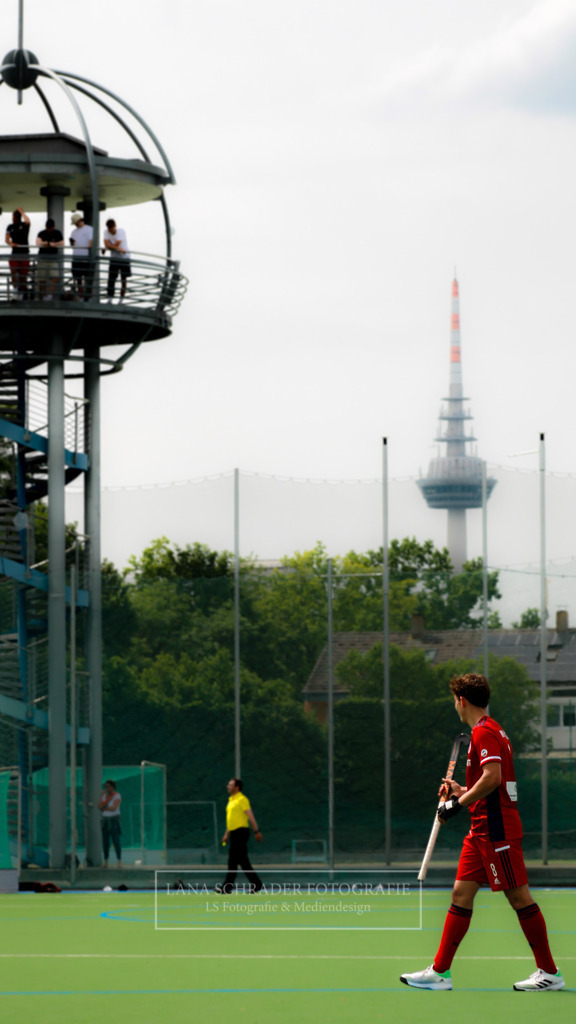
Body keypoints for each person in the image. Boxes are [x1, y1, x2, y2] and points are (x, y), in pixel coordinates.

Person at [400, 673, 564, 992]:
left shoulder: (485, 733)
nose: (455, 706)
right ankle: (440, 973)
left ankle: (549, 973)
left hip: (496, 830)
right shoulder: (489, 730)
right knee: (461, 894)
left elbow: (493, 778)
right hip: (480, 831)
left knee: (518, 897)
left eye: (454, 701)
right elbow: (485, 782)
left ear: (462, 701)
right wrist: (461, 789)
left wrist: (455, 804)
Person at [215, 778, 263, 894]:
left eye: (230, 785)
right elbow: (232, 820)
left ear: (237, 788)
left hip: (241, 832)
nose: (228, 786)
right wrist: (226, 834)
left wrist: (256, 831)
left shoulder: (242, 799)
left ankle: (227, 887)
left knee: (235, 861)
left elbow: (250, 816)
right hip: (234, 833)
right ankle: (255, 884)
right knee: (240, 861)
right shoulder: (231, 800)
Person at [103, 218, 131, 301]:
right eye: (109, 228)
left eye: (112, 228)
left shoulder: (121, 231)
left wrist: (108, 247)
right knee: (111, 279)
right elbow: (108, 245)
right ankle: (110, 298)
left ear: (115, 226)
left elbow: (115, 244)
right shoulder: (106, 232)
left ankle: (121, 299)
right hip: (114, 258)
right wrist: (118, 249)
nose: (111, 230)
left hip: (124, 258)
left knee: (123, 279)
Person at [35, 218, 65, 298]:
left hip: (53, 260)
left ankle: (49, 295)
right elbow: (38, 242)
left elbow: (62, 243)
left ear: (53, 227)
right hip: (42, 260)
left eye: (51, 228)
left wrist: (52, 244)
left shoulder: (57, 233)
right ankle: (43, 297)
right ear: (46, 227)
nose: (49, 229)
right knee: (42, 280)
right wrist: (46, 243)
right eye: (48, 227)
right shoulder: (41, 233)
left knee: (56, 277)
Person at [5, 207, 31, 298]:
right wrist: (12, 243)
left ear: (16, 218)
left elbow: (28, 221)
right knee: (14, 272)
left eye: (13, 217)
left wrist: (22, 212)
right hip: (14, 253)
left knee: (23, 276)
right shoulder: (10, 226)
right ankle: (15, 291)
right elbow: (7, 239)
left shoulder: (24, 225)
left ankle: (20, 295)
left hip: (24, 254)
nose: (12, 219)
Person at [98, 779, 122, 868]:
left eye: (108, 786)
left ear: (112, 787)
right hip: (105, 819)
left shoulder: (117, 795)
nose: (107, 788)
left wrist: (104, 808)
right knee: (105, 841)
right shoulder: (104, 796)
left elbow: (114, 808)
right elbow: (99, 806)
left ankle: (119, 861)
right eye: (106, 787)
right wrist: (101, 796)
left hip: (113, 819)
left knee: (116, 841)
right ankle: (106, 861)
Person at [69, 212, 94, 298]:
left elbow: (91, 242)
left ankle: (88, 297)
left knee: (87, 278)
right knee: (78, 279)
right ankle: (81, 296)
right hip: (76, 257)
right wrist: (71, 243)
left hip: (85, 257)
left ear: (79, 221)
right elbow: (72, 245)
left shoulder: (89, 229)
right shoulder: (73, 232)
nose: (75, 224)